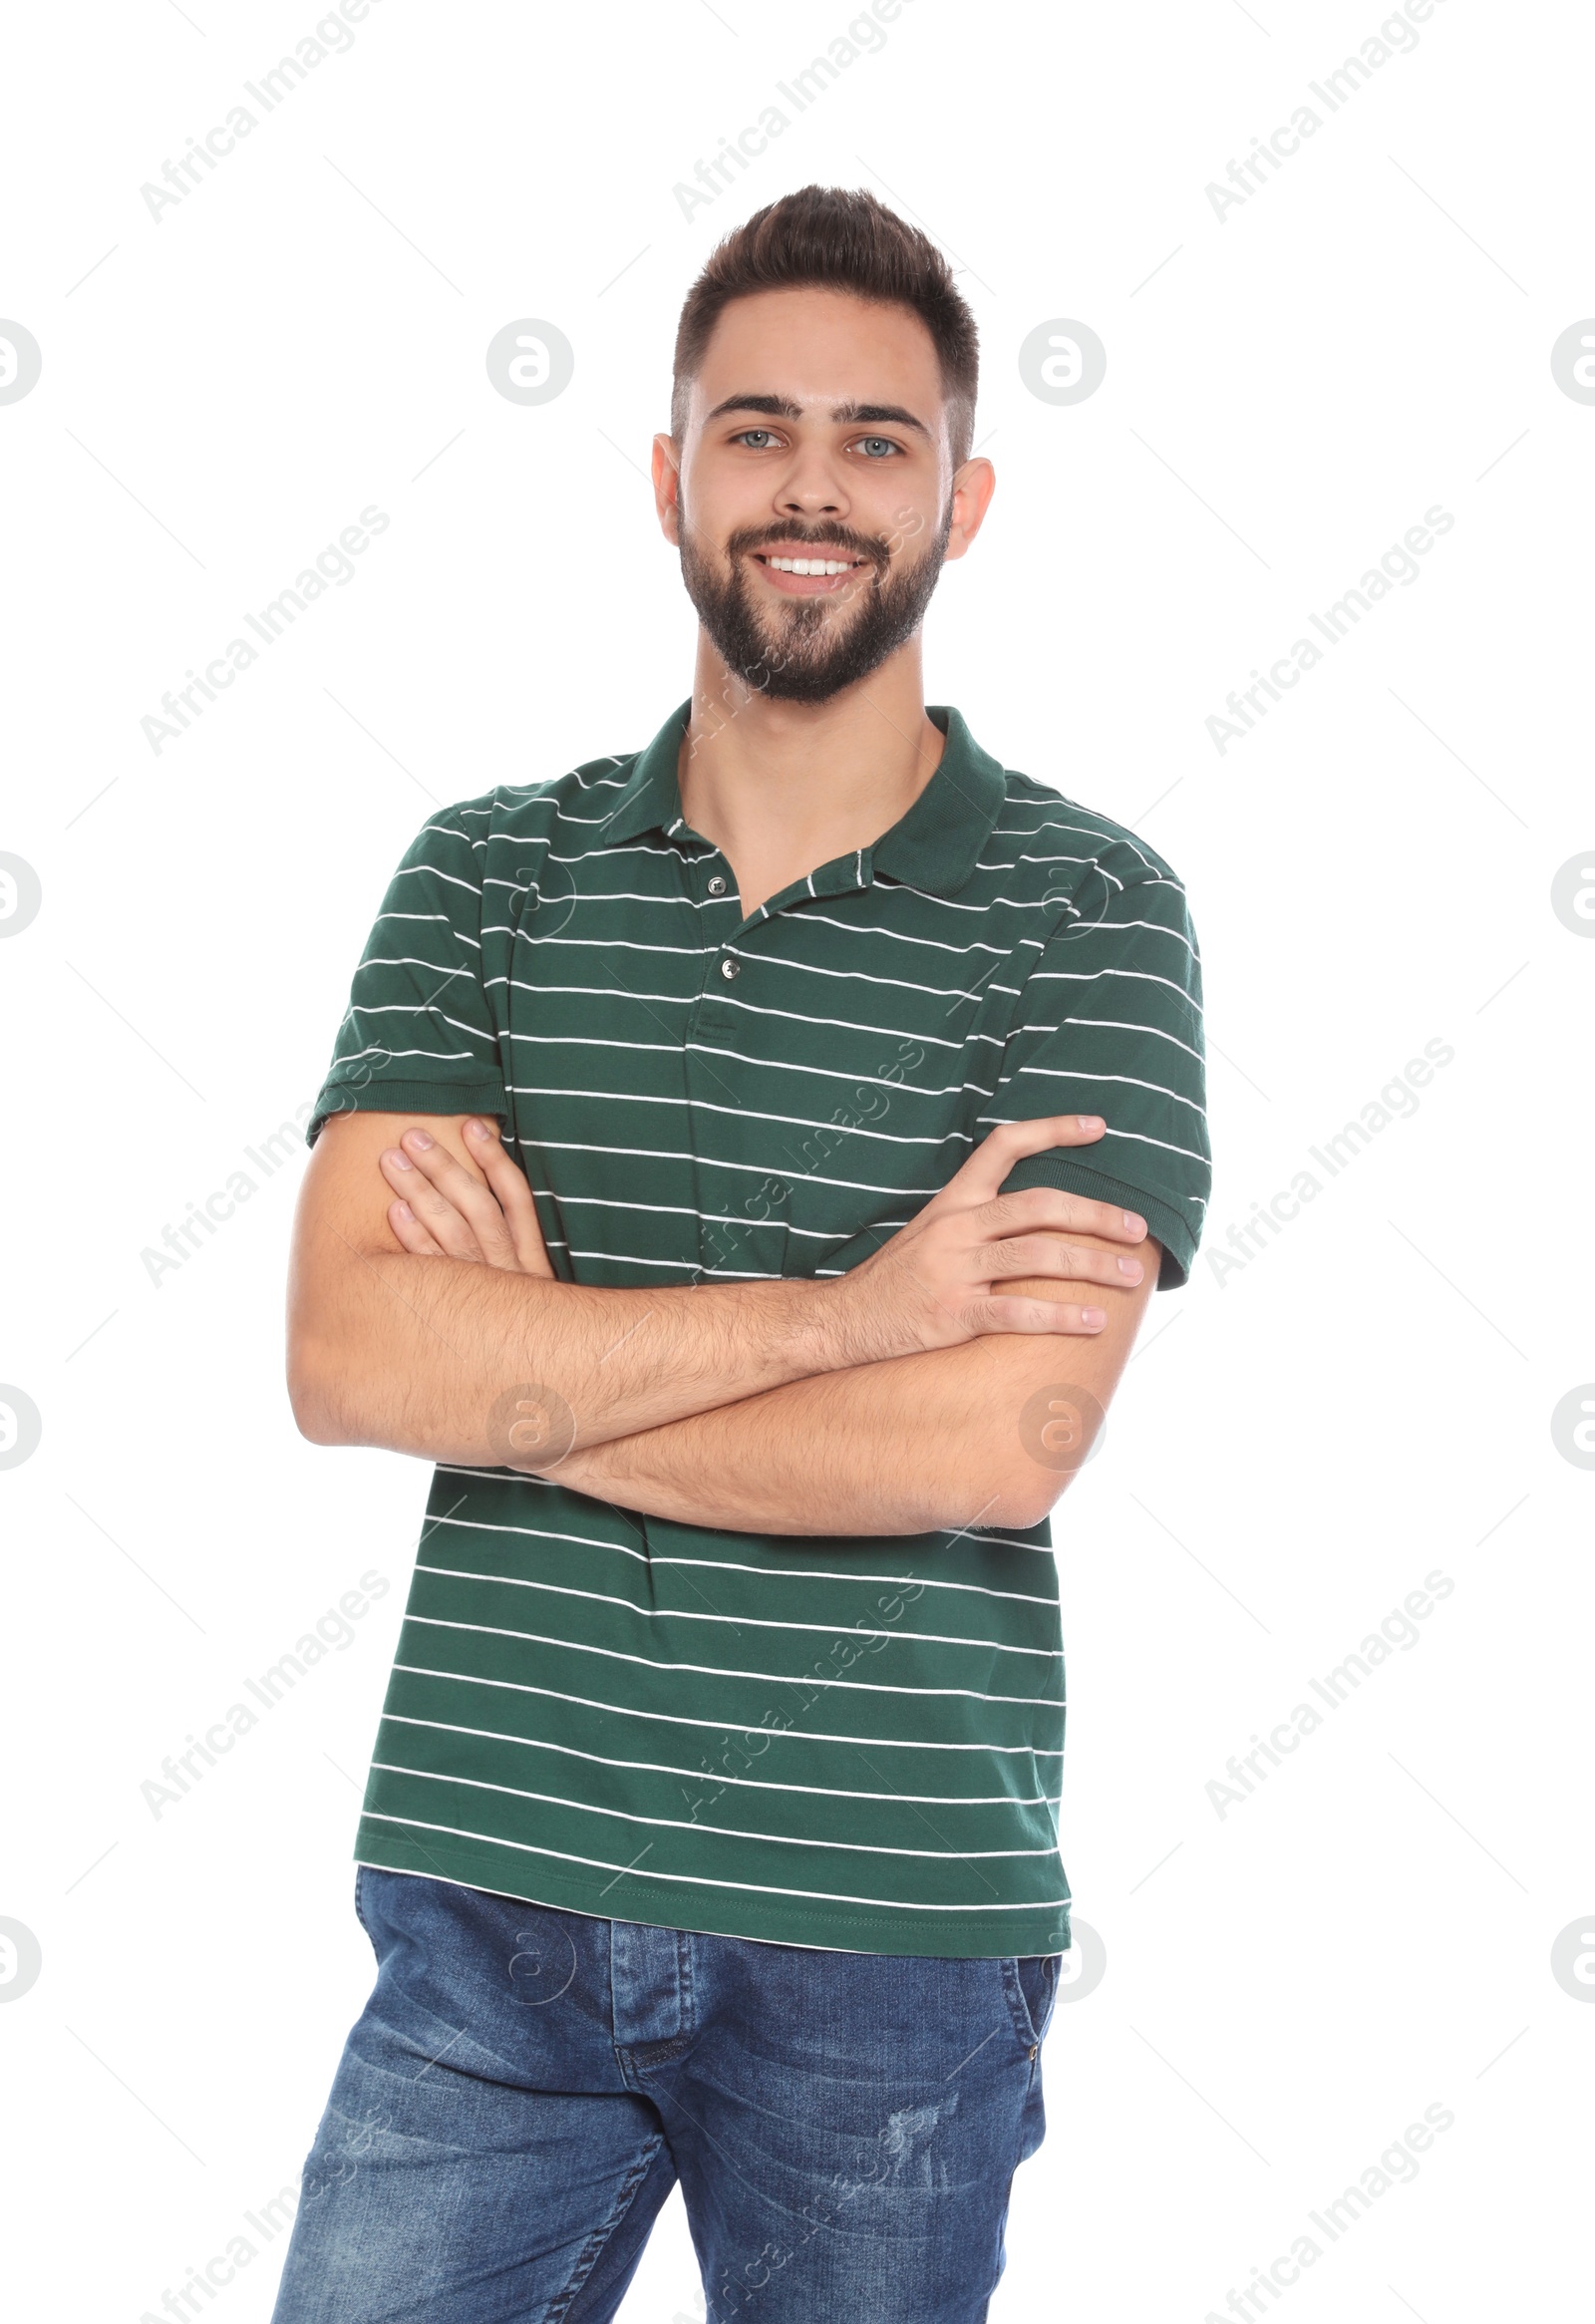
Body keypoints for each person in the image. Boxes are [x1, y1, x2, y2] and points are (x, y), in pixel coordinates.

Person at [270, 182, 1210, 2323]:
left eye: (873, 440)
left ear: (962, 497)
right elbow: (345, 1352)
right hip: (488, 1887)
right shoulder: (486, 877)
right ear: (671, 474)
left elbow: (1000, 1433)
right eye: (756, 428)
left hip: (885, 1928)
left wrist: (520, 1372)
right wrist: (844, 1318)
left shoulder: (1085, 907)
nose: (811, 486)